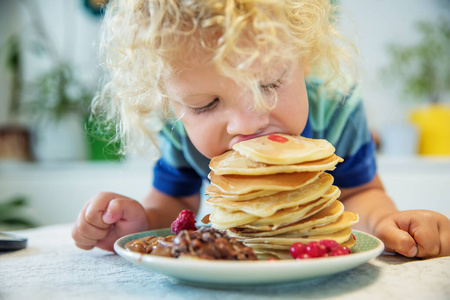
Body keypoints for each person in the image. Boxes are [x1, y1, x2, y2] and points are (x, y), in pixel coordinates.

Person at [72, 0, 450, 258]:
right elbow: (173, 203)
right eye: (206, 105)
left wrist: (385, 221)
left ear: (304, 56)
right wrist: (140, 220)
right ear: (171, 102)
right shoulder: (179, 130)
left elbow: (361, 193)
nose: (248, 123)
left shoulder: (337, 106)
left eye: (268, 84)